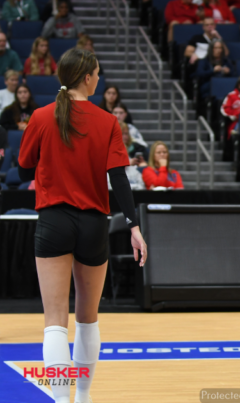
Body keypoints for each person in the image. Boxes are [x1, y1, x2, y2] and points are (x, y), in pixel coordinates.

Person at [16, 47, 147, 403]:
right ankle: (84, 398)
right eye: (98, 73)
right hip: (93, 224)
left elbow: (24, 168)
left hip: (54, 220)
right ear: (86, 77)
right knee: (88, 320)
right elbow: (119, 179)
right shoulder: (107, 121)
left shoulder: (42, 117)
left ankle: (61, 400)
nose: (100, 78)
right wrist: (134, 227)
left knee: (55, 321)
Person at [108, 122, 146, 191]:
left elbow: (141, 185)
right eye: (122, 134)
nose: (125, 137)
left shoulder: (136, 147)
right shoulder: (109, 152)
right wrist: (126, 163)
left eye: (126, 134)